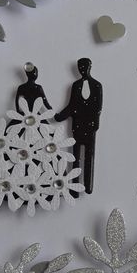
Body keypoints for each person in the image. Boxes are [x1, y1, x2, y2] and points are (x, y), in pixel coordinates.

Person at [55, 57, 103, 195]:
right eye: (80, 67)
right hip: (77, 126)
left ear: (89, 67)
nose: (82, 70)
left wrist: (94, 123)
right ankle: (75, 188)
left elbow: (98, 107)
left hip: (90, 126)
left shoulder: (97, 86)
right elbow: (72, 105)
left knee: (90, 156)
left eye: (84, 67)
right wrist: (61, 116)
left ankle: (88, 185)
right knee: (76, 157)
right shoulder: (76, 86)